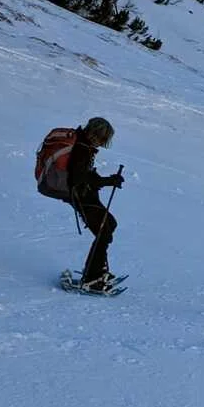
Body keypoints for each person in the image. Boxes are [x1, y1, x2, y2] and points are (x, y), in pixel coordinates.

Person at [67, 117, 124, 291]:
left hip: (86, 196)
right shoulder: (81, 149)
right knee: (103, 232)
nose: (102, 143)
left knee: (108, 226)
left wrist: (107, 181)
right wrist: (107, 181)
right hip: (82, 197)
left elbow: (86, 175)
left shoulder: (84, 146)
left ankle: (96, 271)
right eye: (102, 139)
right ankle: (92, 278)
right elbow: (79, 177)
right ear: (95, 134)